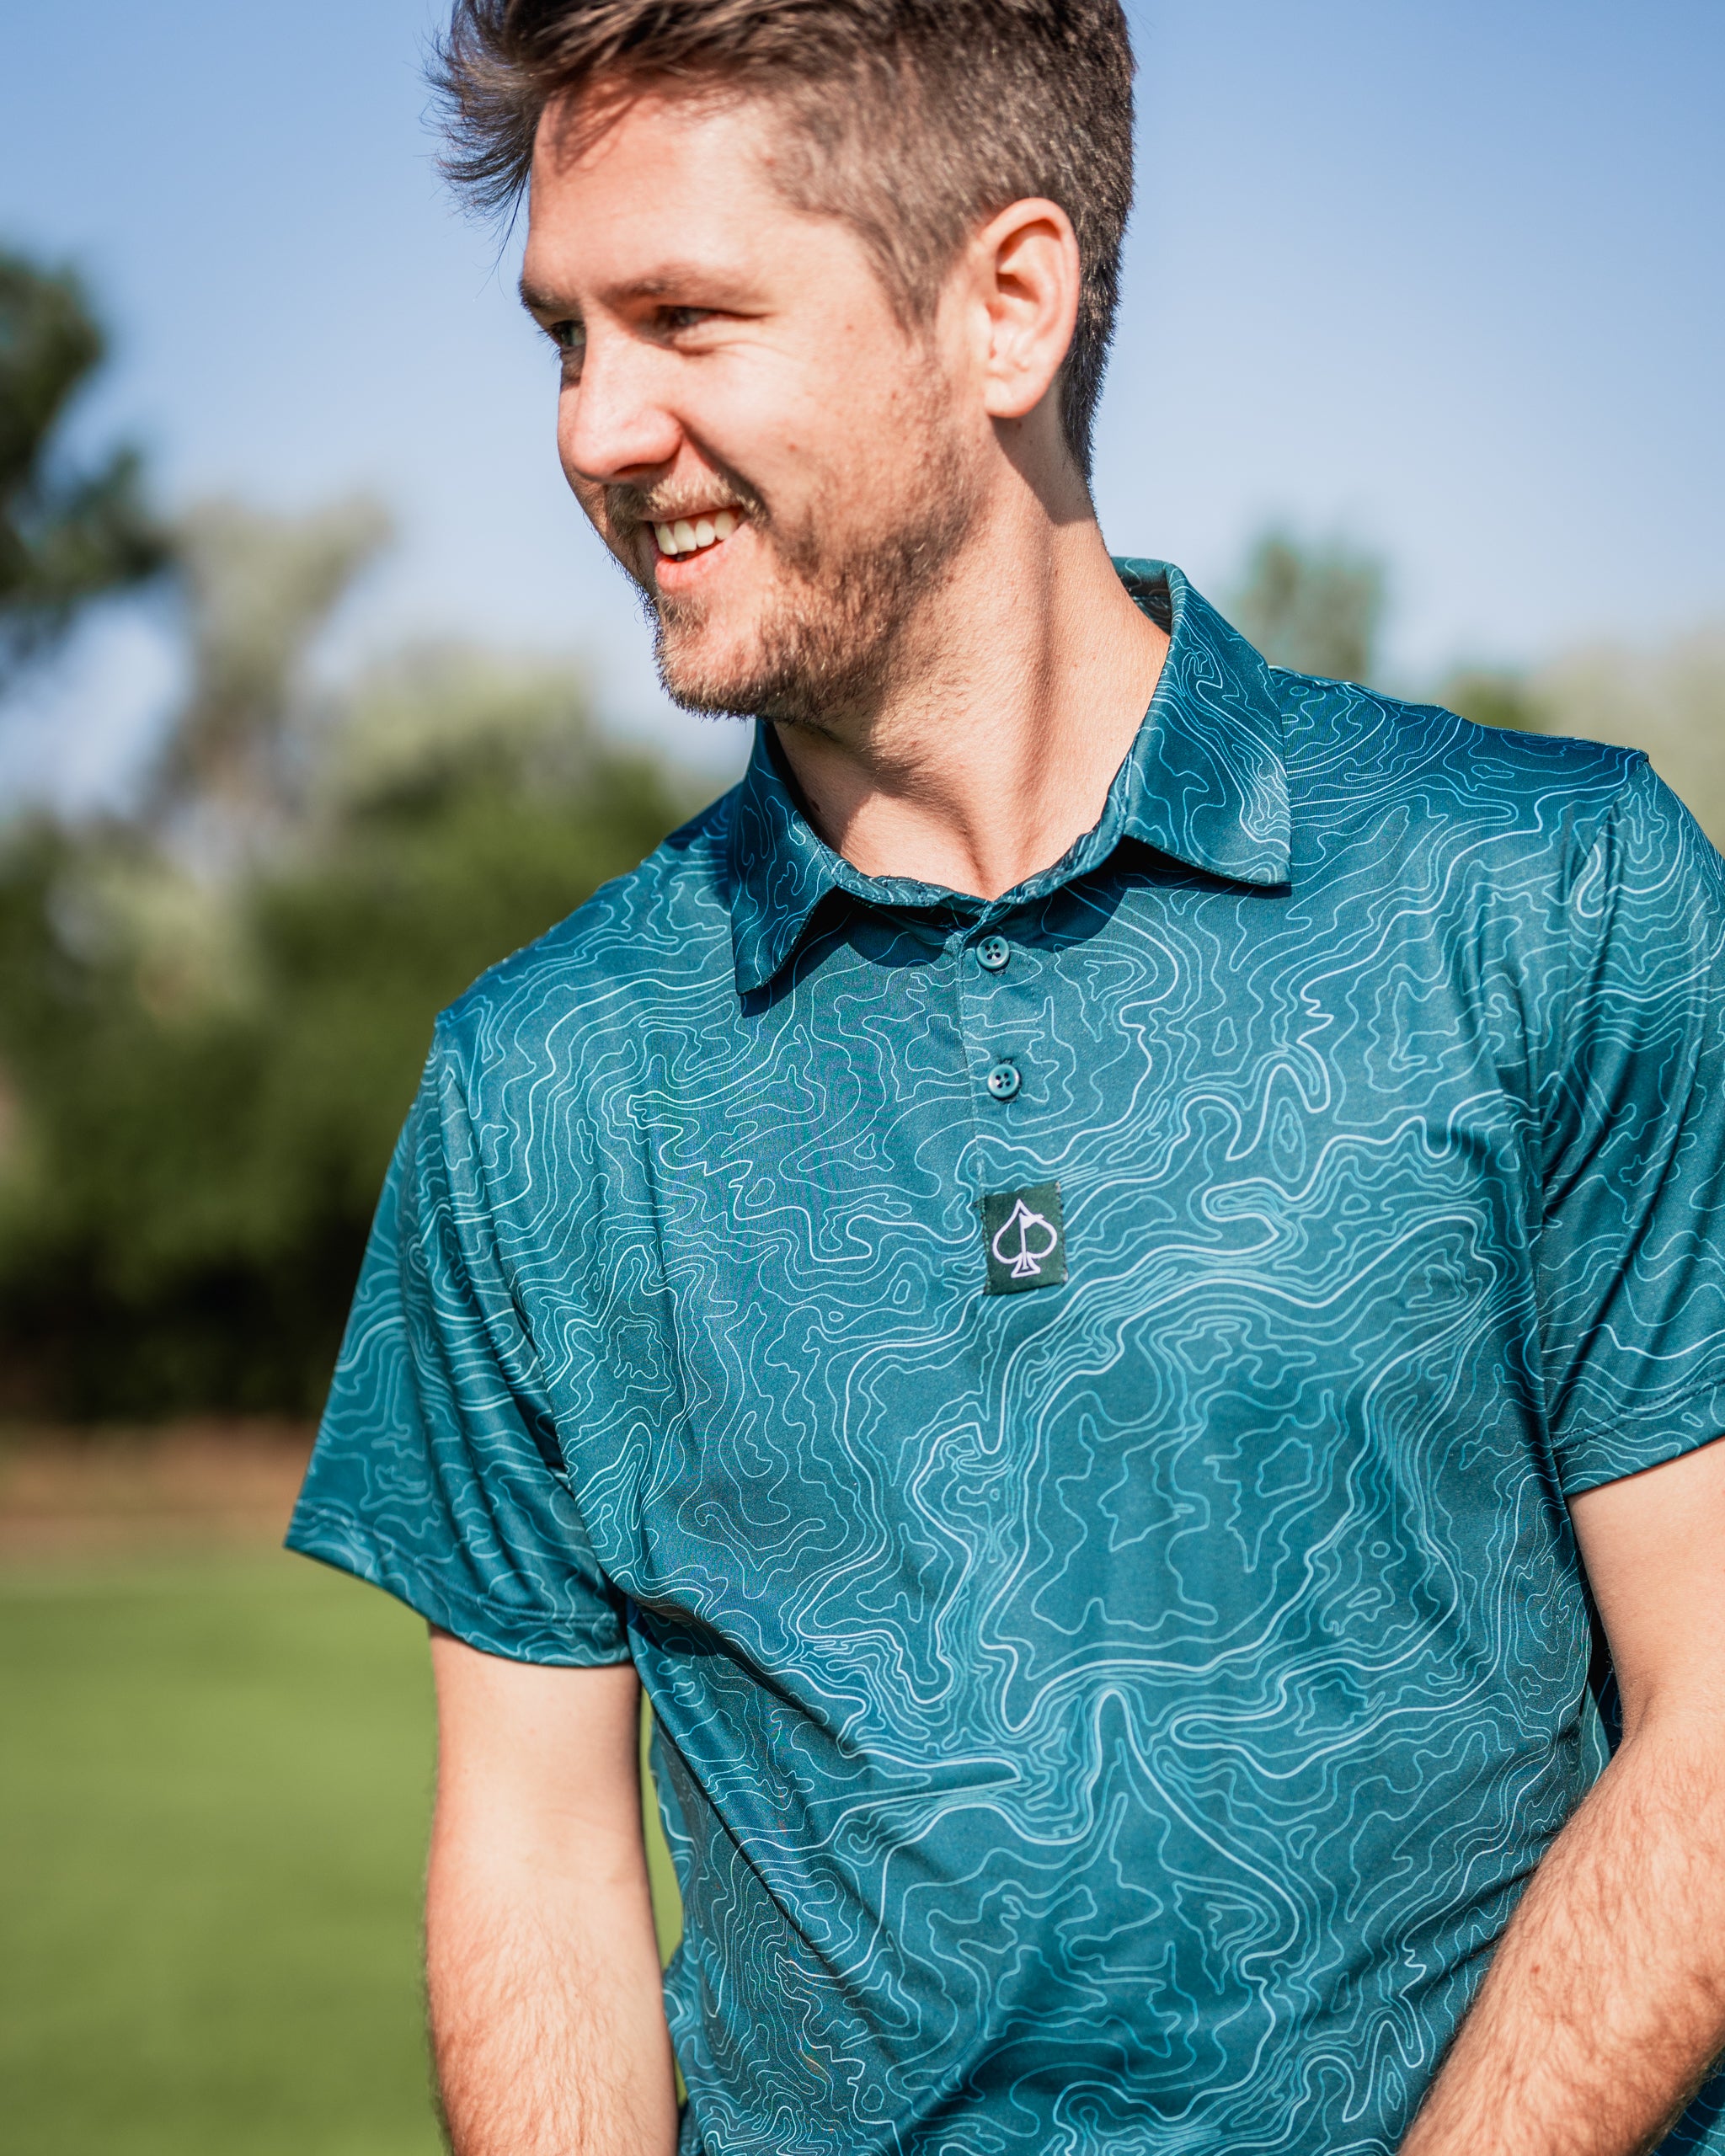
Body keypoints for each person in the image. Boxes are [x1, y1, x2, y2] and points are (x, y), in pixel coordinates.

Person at [286, 2, 1725, 2150]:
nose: (596, 425)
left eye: (683, 316)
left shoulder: (1550, 893)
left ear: (1008, 304)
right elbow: (540, 1866)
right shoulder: (539, 1083)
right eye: (564, 337)